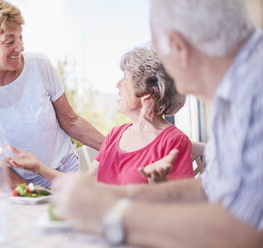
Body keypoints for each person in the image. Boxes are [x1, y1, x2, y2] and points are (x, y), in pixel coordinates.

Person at [51, 0, 263, 247]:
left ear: (177, 46)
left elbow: (245, 231)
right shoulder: (233, 93)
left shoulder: (255, 92)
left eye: (160, 51)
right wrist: (114, 195)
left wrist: (110, 214)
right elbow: (207, 188)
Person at [0, 0, 104, 188]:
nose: (20, 47)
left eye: (20, 37)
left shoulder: (40, 65)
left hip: (62, 173)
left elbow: (70, 120)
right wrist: (27, 191)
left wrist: (119, 150)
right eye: (9, 42)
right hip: (13, 185)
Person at [7, 47, 194, 185]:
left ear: (148, 93)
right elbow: (85, 186)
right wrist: (37, 166)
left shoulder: (174, 142)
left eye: (126, 77)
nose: (118, 84)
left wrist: (159, 185)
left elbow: (182, 204)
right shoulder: (116, 134)